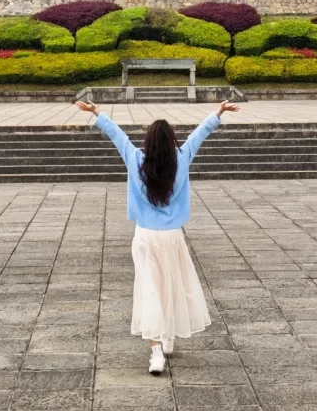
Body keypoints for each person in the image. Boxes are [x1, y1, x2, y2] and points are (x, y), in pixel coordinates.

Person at [77, 97, 240, 374]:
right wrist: (219, 112)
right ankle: (167, 339)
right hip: (172, 236)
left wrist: (97, 113)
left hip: (145, 237)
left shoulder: (136, 160)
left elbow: (118, 136)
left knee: (150, 289)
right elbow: (200, 134)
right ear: (171, 142)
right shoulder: (182, 159)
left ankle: (156, 352)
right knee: (171, 286)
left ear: (149, 143)